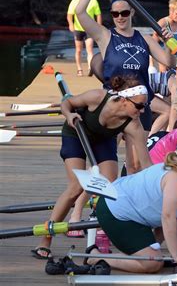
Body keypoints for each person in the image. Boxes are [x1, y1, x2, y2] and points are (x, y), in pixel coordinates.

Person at [32, 76, 152, 259]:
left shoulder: (134, 125)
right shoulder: (97, 97)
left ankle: (103, 233)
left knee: (110, 188)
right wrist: (69, 115)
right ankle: (46, 239)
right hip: (76, 133)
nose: (142, 111)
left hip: (103, 140)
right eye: (139, 106)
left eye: (145, 106)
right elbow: (66, 103)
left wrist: (161, 180)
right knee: (75, 187)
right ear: (124, 99)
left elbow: (146, 164)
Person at [75, 0, 176, 174]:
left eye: (123, 13)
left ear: (132, 12)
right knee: (106, 162)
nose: (119, 17)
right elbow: (80, 12)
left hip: (140, 106)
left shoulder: (145, 39)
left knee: (136, 164)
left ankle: (133, 201)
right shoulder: (105, 36)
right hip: (113, 104)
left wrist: (168, 42)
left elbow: (168, 63)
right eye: (115, 14)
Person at [85, 137, 177, 273]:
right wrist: (174, 253)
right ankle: (95, 257)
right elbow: (168, 216)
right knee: (153, 264)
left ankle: (144, 252)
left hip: (132, 210)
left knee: (158, 250)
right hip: (113, 211)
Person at [148, 0, 177, 133]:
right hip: (163, 61)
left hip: (176, 63)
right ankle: (167, 129)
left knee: (171, 99)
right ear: (171, 10)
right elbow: (152, 43)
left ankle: (165, 130)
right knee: (170, 95)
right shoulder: (162, 23)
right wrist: (151, 64)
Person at [67, 0, 102, 77]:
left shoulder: (93, 1)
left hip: (89, 29)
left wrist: (99, 26)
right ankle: (79, 69)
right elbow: (69, 15)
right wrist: (71, 24)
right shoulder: (74, 1)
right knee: (78, 50)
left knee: (89, 49)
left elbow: (98, 15)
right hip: (78, 29)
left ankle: (90, 68)